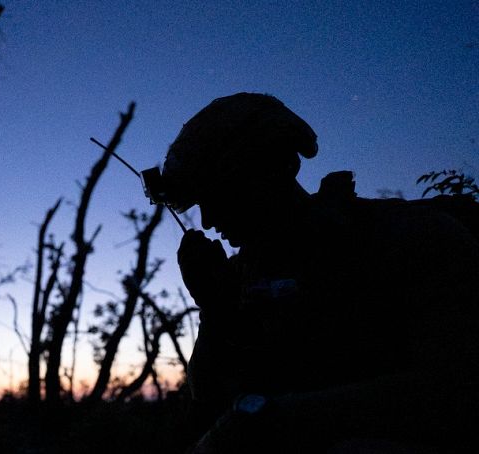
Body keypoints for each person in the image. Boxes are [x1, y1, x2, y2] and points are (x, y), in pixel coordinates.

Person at [159, 93, 479, 452]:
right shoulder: (238, 280)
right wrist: (216, 311)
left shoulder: (411, 237)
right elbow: (207, 409)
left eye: (220, 197)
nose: (208, 220)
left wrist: (271, 418)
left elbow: (454, 388)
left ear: (270, 172)